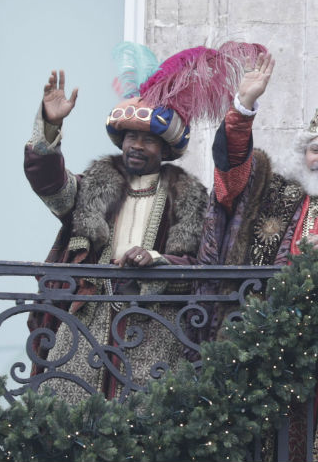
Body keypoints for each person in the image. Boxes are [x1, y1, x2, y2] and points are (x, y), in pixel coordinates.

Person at [197, 50, 318, 461]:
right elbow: (231, 175)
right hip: (263, 351)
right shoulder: (270, 195)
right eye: (315, 149)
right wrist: (243, 108)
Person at [24, 69, 208, 403]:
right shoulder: (93, 185)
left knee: (144, 421)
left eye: (148, 139)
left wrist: (156, 260)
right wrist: (50, 126)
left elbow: (198, 266)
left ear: (165, 149)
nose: (136, 145)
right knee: (67, 410)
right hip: (88, 314)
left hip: (154, 323)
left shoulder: (189, 197)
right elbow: (49, 185)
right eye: (129, 137)